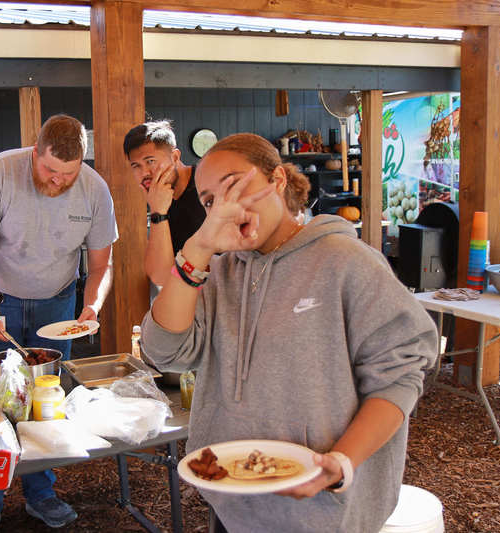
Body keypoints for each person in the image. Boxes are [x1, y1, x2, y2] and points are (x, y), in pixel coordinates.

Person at [139, 133, 438, 532]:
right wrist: (198, 246)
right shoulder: (221, 273)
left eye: (234, 185)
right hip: (234, 495)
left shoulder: (345, 261)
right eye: (210, 201)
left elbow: (399, 375)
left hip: (322, 507)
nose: (226, 206)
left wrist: (343, 460)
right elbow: (162, 350)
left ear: (277, 179)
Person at [0, 114, 118, 532]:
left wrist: (93, 306)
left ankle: (41, 493)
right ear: (35, 152)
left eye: (69, 173)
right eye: (50, 170)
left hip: (56, 307)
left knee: (47, 402)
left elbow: (102, 264)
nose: (59, 180)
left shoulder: (95, 189)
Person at [123, 120, 206, 286]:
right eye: (136, 166)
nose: (144, 172)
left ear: (175, 157)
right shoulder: (160, 200)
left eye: (150, 161)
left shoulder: (206, 186)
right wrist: (157, 212)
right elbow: (160, 277)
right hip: (192, 302)